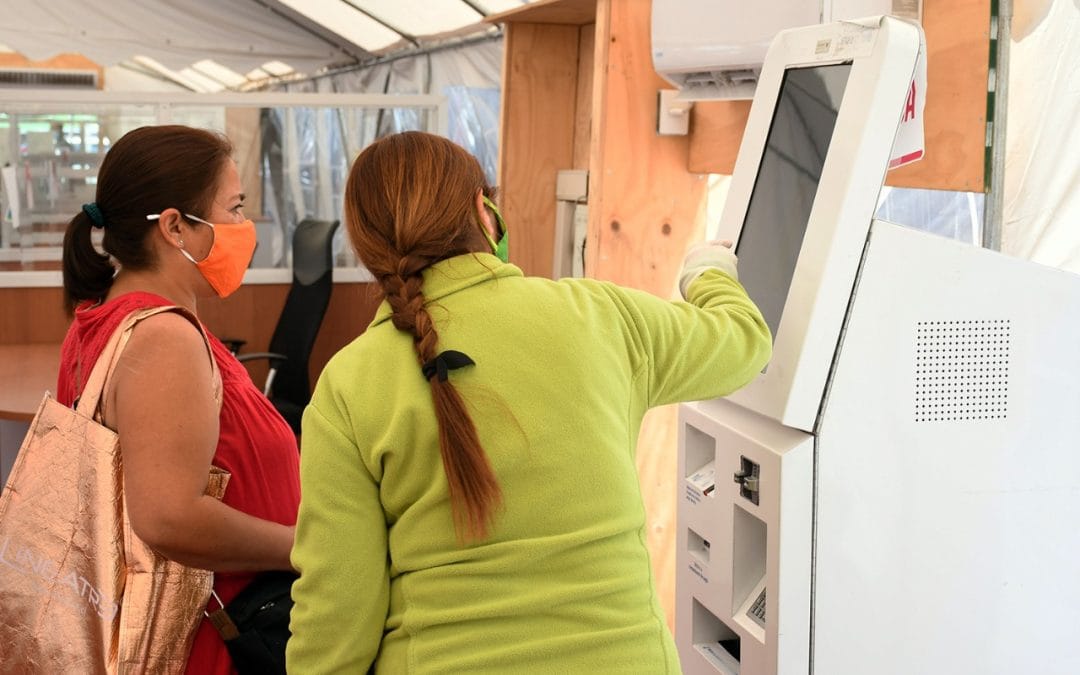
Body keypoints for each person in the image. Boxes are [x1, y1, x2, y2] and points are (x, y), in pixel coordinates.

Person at [287, 131, 771, 673]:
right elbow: (744, 342)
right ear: (483, 210)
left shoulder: (348, 385)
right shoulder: (601, 317)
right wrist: (706, 271)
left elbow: (337, 618)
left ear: (366, 247)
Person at [58, 124, 299, 674]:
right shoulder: (162, 338)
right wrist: (304, 545)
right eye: (233, 208)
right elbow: (169, 517)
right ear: (173, 227)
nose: (244, 227)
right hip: (213, 634)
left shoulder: (109, 318)